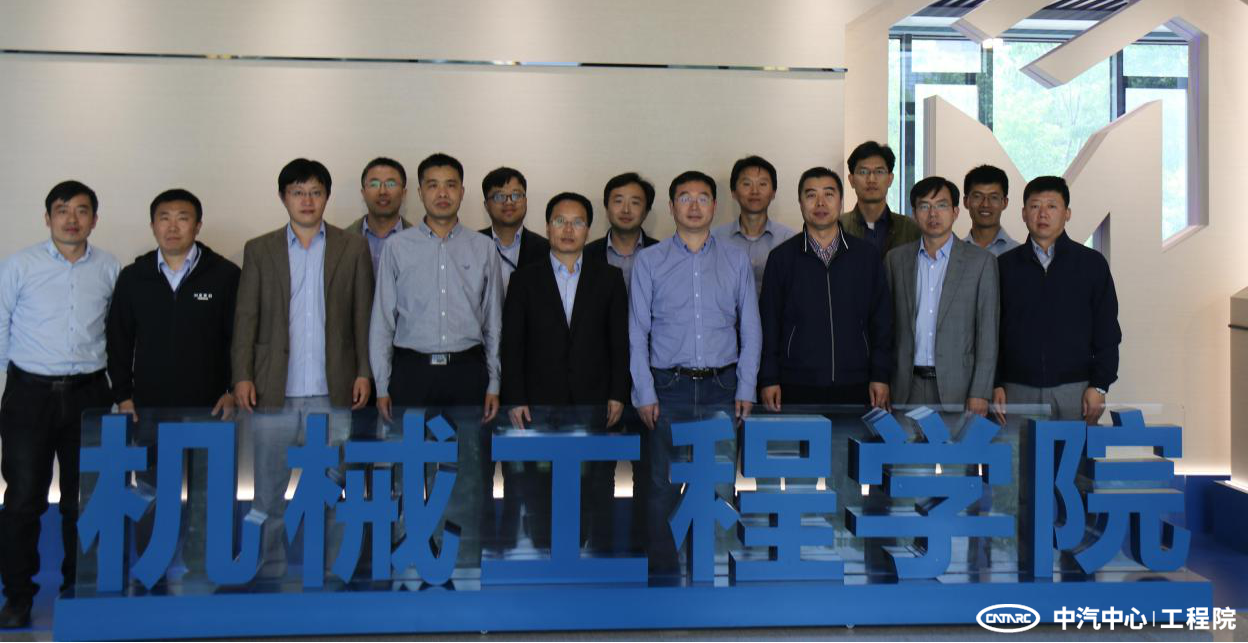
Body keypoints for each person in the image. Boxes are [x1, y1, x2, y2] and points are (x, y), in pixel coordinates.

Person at [231, 158, 374, 578]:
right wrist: (242, 375)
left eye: (315, 192)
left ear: (326, 197)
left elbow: (363, 316)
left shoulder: (352, 247)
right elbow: (246, 319)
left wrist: (364, 371)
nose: (307, 200)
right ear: (283, 198)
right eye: (297, 192)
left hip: (335, 391)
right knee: (267, 493)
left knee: (331, 487)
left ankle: (330, 569)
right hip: (274, 389)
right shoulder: (260, 249)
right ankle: (268, 567)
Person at [370, 152, 502, 563]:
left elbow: (493, 322)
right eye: (433, 185)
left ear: (462, 191)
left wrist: (494, 381)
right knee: (408, 466)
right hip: (412, 371)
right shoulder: (398, 247)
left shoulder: (483, 247)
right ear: (419, 192)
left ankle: (459, 557)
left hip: (466, 370)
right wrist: (381, 383)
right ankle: (409, 553)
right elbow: (382, 321)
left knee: (465, 469)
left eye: (450, 185)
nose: (442, 193)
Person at [0, 181, 119, 628]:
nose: (72, 219)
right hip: (29, 395)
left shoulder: (109, 267)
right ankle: (17, 597)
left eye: (82, 210)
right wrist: (21, 375)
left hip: (89, 393)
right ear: (47, 217)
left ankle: (77, 590)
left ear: (94, 219)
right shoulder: (19, 266)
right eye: (62, 210)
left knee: (83, 500)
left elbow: (115, 330)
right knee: (22, 501)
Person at [629, 170, 761, 571]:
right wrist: (644, 392)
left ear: (715, 206)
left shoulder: (735, 259)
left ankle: (710, 569)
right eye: (684, 197)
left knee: (718, 483)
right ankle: (665, 572)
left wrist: (746, 387)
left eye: (703, 197)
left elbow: (750, 329)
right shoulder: (649, 261)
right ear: (671, 207)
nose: (694, 205)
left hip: (722, 386)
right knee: (663, 486)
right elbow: (637, 332)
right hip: (668, 387)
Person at [106, 189, 241, 573]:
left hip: (210, 408)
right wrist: (124, 396)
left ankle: (206, 572)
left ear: (198, 225)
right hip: (150, 409)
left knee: (209, 493)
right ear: (153, 225)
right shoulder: (134, 278)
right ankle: (154, 573)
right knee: (151, 493)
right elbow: (118, 341)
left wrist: (232, 389)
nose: (172, 226)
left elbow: (239, 338)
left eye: (183, 217)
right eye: (164, 217)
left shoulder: (225, 275)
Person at [501, 192, 629, 552]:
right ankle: (546, 551)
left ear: (588, 229)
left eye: (577, 222)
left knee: (597, 482)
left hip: (595, 400)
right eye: (560, 221)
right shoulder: (524, 279)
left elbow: (620, 342)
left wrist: (618, 392)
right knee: (541, 483)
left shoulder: (609, 278)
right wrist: (515, 397)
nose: (568, 229)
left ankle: (595, 554)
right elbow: (513, 344)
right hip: (540, 402)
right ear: (547, 227)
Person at [759, 167, 893, 411]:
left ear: (841, 202)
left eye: (829, 194)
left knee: (853, 438)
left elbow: (881, 321)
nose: (820, 203)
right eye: (811, 195)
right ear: (800, 202)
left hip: (857, 381)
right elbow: (769, 324)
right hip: (796, 382)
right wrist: (769, 378)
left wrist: (880, 374)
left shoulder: (866, 256)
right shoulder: (781, 258)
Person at [993, 175, 1121, 425]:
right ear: (1023, 213)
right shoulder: (1004, 266)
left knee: (1075, 453)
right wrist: (995, 383)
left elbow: (1107, 330)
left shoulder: (1091, 264)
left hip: (1076, 390)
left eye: (1052, 206)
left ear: (1067, 213)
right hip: (1016, 390)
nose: (1043, 214)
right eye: (1035, 206)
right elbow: (991, 332)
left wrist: (1100, 385)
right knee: (1017, 452)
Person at [885, 176, 998, 414]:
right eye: (924, 206)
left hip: (959, 387)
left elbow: (987, 334)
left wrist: (980, 391)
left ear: (956, 212)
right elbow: (886, 327)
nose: (933, 214)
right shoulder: (896, 260)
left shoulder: (981, 262)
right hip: (906, 386)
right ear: (914, 214)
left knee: (955, 441)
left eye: (942, 205)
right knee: (906, 440)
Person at [711, 155, 796, 293]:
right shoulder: (714, 239)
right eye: (746, 184)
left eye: (762, 184)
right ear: (733, 192)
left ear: (773, 193)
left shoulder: (789, 240)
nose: (755, 191)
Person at [839, 141, 920, 255]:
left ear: (890, 179)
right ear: (851, 180)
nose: (871, 179)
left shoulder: (910, 229)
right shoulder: (838, 227)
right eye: (863, 172)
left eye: (879, 172)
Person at [584, 172, 660, 292]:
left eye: (635, 203)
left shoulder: (663, 254)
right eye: (618, 201)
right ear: (606, 208)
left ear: (646, 211)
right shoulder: (586, 255)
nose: (626, 210)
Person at [478, 166, 550, 291]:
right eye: (499, 196)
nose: (509, 202)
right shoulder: (471, 246)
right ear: (486, 206)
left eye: (516, 195)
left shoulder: (547, 249)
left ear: (525, 201)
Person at [349, 157, 414, 274]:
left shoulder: (419, 241)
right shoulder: (343, 240)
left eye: (391, 184)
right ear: (363, 193)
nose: (382, 191)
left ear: (403, 193)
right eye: (374, 184)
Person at [962, 164, 1019, 256]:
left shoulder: (1019, 254)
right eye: (977, 196)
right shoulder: (953, 253)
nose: (985, 204)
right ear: (966, 201)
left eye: (994, 197)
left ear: (1005, 202)